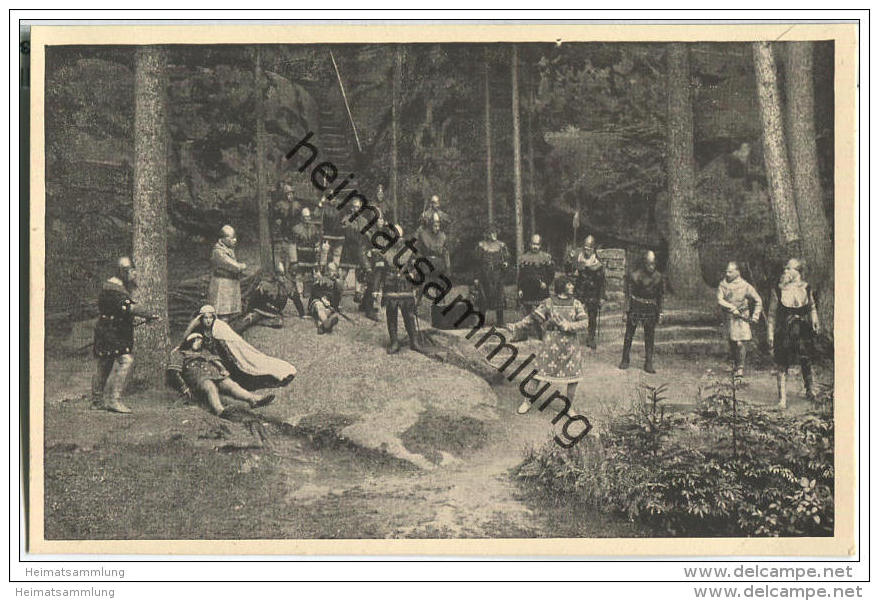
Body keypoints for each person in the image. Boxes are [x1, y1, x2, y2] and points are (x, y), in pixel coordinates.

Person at [506, 276, 589, 414]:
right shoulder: (548, 303)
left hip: (570, 347)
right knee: (538, 374)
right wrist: (516, 326)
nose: (572, 287)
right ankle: (527, 401)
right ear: (562, 286)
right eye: (569, 284)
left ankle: (569, 407)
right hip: (550, 345)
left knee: (574, 378)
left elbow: (585, 323)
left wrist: (568, 325)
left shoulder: (576, 304)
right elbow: (532, 318)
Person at [92, 256, 161, 414]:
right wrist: (149, 314)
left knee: (105, 363)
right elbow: (130, 308)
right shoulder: (113, 290)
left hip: (110, 329)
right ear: (123, 272)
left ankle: (96, 400)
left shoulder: (115, 287)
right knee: (125, 361)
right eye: (131, 272)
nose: (134, 275)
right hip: (109, 331)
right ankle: (113, 401)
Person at [183, 305, 296, 389]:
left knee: (251, 365)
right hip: (215, 357)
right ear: (201, 319)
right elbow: (188, 339)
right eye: (205, 318)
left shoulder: (219, 327)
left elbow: (230, 346)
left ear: (213, 318)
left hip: (228, 355)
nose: (208, 321)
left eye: (210, 318)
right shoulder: (200, 330)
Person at [167, 333, 275, 417]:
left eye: (200, 340)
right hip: (197, 376)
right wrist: (184, 387)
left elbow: (215, 361)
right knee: (210, 387)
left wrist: (222, 369)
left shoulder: (204, 352)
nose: (198, 342)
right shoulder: (180, 353)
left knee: (231, 385)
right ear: (188, 342)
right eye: (195, 340)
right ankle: (219, 410)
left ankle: (254, 399)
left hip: (214, 373)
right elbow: (174, 371)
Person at [767, 258, 821, 408]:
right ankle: (782, 399)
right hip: (785, 331)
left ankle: (810, 390)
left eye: (789, 268)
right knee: (782, 363)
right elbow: (771, 315)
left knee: (806, 360)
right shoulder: (778, 290)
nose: (785, 271)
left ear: (798, 272)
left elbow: (811, 307)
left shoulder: (806, 288)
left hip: (803, 329)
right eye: (785, 269)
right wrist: (770, 334)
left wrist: (814, 319)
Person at [716, 261, 763, 381]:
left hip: (742, 317)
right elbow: (720, 300)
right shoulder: (723, 285)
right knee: (732, 341)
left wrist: (755, 316)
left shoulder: (745, 286)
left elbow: (758, 300)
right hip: (729, 317)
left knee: (740, 342)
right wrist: (731, 308)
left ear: (738, 272)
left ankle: (740, 367)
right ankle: (734, 363)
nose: (727, 274)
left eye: (730, 271)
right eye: (726, 271)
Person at [619, 250, 664, 374]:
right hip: (636, 306)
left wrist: (660, 312)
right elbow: (628, 294)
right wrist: (625, 311)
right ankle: (625, 359)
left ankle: (648, 362)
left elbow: (660, 296)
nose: (651, 266)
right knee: (629, 334)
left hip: (650, 308)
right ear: (644, 263)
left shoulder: (658, 277)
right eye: (649, 264)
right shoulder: (635, 275)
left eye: (653, 264)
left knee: (650, 336)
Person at [234, 262, 304, 333]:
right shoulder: (265, 284)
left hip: (275, 313)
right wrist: (250, 309)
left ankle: (258, 320)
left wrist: (302, 314)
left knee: (278, 323)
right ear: (274, 275)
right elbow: (255, 297)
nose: (281, 277)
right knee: (249, 320)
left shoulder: (287, 286)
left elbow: (296, 299)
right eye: (278, 274)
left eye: (282, 275)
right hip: (261, 309)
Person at [384, 226, 421, 354]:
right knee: (391, 314)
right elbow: (379, 270)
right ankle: (394, 342)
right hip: (390, 285)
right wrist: (375, 289)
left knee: (409, 314)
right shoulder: (385, 250)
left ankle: (414, 341)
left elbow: (417, 265)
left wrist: (413, 274)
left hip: (405, 285)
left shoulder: (409, 250)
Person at [565, 234, 606, 349]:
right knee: (574, 314)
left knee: (592, 317)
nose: (587, 251)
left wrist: (602, 297)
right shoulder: (578, 259)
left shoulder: (597, 263)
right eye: (585, 248)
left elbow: (602, 281)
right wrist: (569, 260)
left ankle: (591, 338)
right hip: (580, 291)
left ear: (593, 249)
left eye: (589, 249)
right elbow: (568, 270)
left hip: (593, 292)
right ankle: (571, 336)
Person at [516, 234, 555, 340]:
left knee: (543, 313)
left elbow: (551, 273)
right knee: (526, 312)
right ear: (530, 244)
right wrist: (519, 289)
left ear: (540, 245)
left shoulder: (546, 257)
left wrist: (546, 283)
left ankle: (543, 333)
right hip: (527, 290)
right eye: (533, 244)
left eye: (537, 244)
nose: (535, 246)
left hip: (541, 290)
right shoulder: (524, 258)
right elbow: (521, 276)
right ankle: (524, 334)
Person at [207, 225, 247, 321]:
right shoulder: (218, 252)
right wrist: (242, 266)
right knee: (222, 312)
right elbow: (233, 266)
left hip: (229, 284)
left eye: (235, 237)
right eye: (231, 238)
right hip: (222, 285)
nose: (235, 240)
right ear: (223, 239)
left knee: (229, 312)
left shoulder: (227, 249)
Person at [477, 226, 510, 326]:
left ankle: (500, 322)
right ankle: (481, 322)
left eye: (495, 233)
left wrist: (505, 264)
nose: (494, 235)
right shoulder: (482, 245)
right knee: (483, 298)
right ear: (487, 234)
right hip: (485, 275)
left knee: (499, 297)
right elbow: (477, 262)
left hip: (497, 275)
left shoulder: (501, 245)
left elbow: (507, 258)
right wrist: (476, 277)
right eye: (491, 233)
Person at [308, 264, 342, 335]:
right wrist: (322, 298)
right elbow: (314, 291)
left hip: (327, 307)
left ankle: (322, 326)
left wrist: (334, 307)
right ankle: (327, 323)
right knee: (319, 307)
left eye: (333, 271)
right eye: (330, 270)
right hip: (317, 302)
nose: (331, 273)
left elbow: (336, 299)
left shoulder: (336, 284)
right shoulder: (321, 279)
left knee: (323, 313)